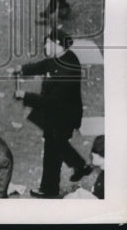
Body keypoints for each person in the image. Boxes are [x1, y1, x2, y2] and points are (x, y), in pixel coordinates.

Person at [13, 27, 91, 198]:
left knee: (51, 154)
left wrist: (25, 95)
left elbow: (52, 102)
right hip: (58, 116)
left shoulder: (67, 69)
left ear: (57, 44)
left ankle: (49, 190)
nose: (45, 46)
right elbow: (44, 66)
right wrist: (23, 69)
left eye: (48, 43)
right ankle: (80, 165)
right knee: (59, 144)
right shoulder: (61, 57)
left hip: (62, 118)